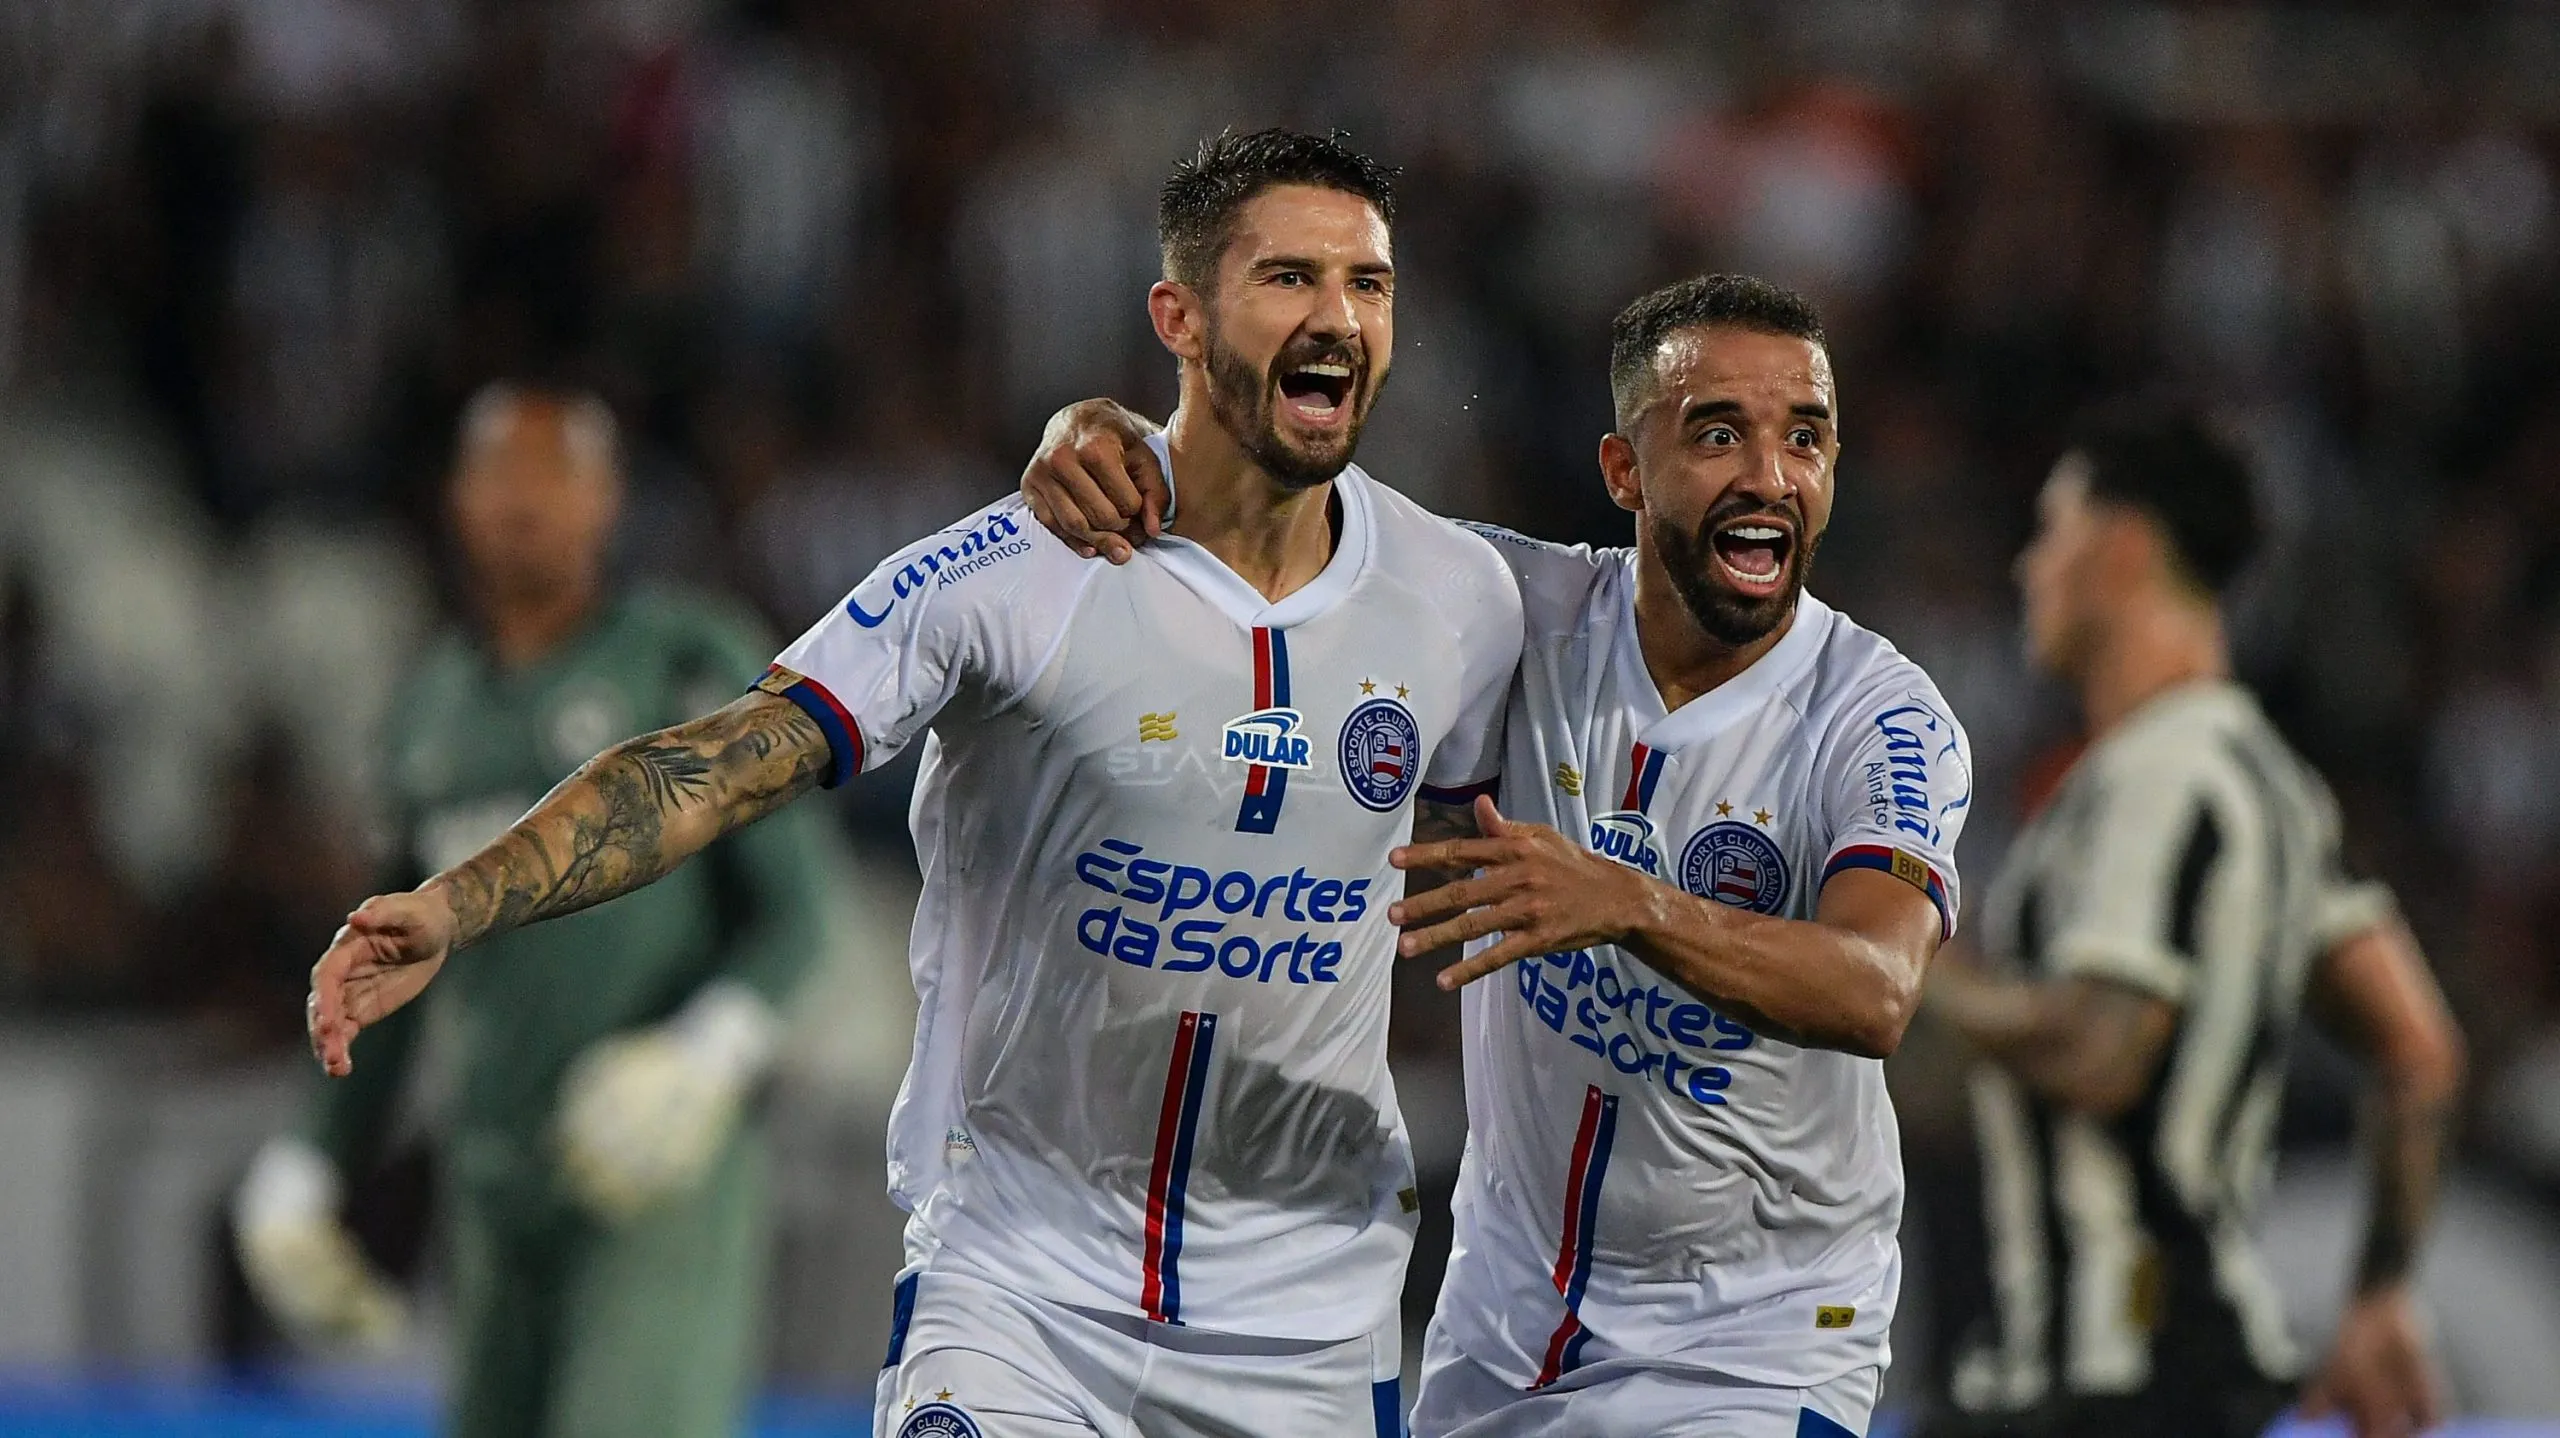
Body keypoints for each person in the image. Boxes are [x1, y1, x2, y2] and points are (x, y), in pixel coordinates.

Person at [305, 129, 1523, 1438]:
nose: (1338, 316)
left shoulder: (1463, 597)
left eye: (1369, 284)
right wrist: (456, 901)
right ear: (1178, 315)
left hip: (1314, 1329)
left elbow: (1561, 821)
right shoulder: (1021, 568)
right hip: (1021, 1299)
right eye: (1290, 278)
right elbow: (714, 764)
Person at [1024, 273, 1974, 1437]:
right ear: (1624, 471)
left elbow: (1878, 991)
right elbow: (1279, 509)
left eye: (1806, 439)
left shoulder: (1881, 721)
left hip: (1753, 1345)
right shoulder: (1511, 612)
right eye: (1718, 434)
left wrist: (1632, 905)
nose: (1770, 477)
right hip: (1504, 1329)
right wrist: (1109, 437)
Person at [236, 384, 832, 1438]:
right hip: (490, 1176)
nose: (527, 501)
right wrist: (309, 1157)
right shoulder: (431, 709)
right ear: (456, 499)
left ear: (607, 500)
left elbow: (795, 910)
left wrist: (707, 1051)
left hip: (653, 1167)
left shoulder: (680, 659)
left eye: (556, 473)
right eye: (502, 472)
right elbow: (393, 957)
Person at [1917, 400, 2465, 1438]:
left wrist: (1912, 970)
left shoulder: (2159, 778)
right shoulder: (2265, 777)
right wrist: (2382, 1289)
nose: (2027, 567)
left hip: (2113, 1383)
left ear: (2121, 546)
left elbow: (2102, 1050)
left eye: (2052, 529)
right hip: (2174, 1379)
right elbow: (2419, 1048)